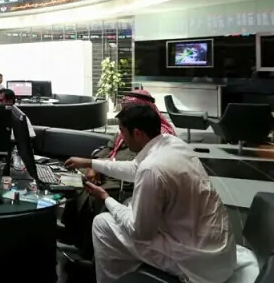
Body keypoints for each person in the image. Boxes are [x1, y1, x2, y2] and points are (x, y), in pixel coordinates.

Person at [65, 104, 257, 283]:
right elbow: (134, 169)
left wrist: (105, 198)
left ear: (137, 133)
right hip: (220, 251)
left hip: (201, 263)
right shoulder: (172, 143)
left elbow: (139, 232)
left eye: (122, 131)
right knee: (130, 205)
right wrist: (89, 162)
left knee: (102, 223)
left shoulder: (151, 169)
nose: (120, 137)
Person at [60, 90, 177, 259]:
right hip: (114, 168)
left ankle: (89, 251)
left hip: (125, 181)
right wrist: (93, 165)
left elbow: (136, 168)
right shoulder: (130, 128)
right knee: (75, 179)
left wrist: (104, 191)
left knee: (94, 197)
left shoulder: (158, 136)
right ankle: (71, 235)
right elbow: (109, 149)